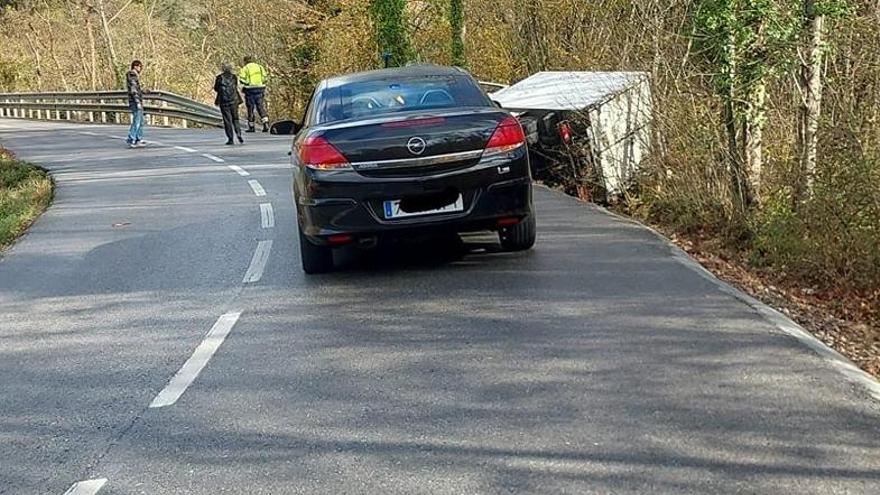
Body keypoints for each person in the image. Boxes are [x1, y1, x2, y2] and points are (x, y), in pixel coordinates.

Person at [214, 63, 244, 145]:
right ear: (231, 69)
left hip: (223, 101)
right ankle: (238, 133)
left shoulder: (219, 77)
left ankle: (230, 138)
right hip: (234, 100)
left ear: (223, 69)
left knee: (227, 120)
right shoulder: (234, 77)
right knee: (235, 118)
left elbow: (216, 88)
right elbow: (235, 86)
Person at [238, 55, 270, 133]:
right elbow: (265, 78)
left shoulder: (245, 68)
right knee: (260, 107)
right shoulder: (260, 67)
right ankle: (265, 124)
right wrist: (260, 83)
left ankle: (251, 127)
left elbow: (242, 80)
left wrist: (247, 84)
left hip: (250, 90)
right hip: (260, 89)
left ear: (245, 61)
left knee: (250, 108)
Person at [126, 60, 146, 148]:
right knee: (137, 121)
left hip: (137, 100)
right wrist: (137, 101)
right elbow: (133, 90)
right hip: (135, 101)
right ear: (135, 66)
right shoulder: (132, 75)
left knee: (141, 121)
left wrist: (143, 91)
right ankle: (132, 138)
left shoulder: (134, 76)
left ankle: (138, 138)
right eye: (140, 67)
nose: (140, 69)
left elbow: (136, 89)